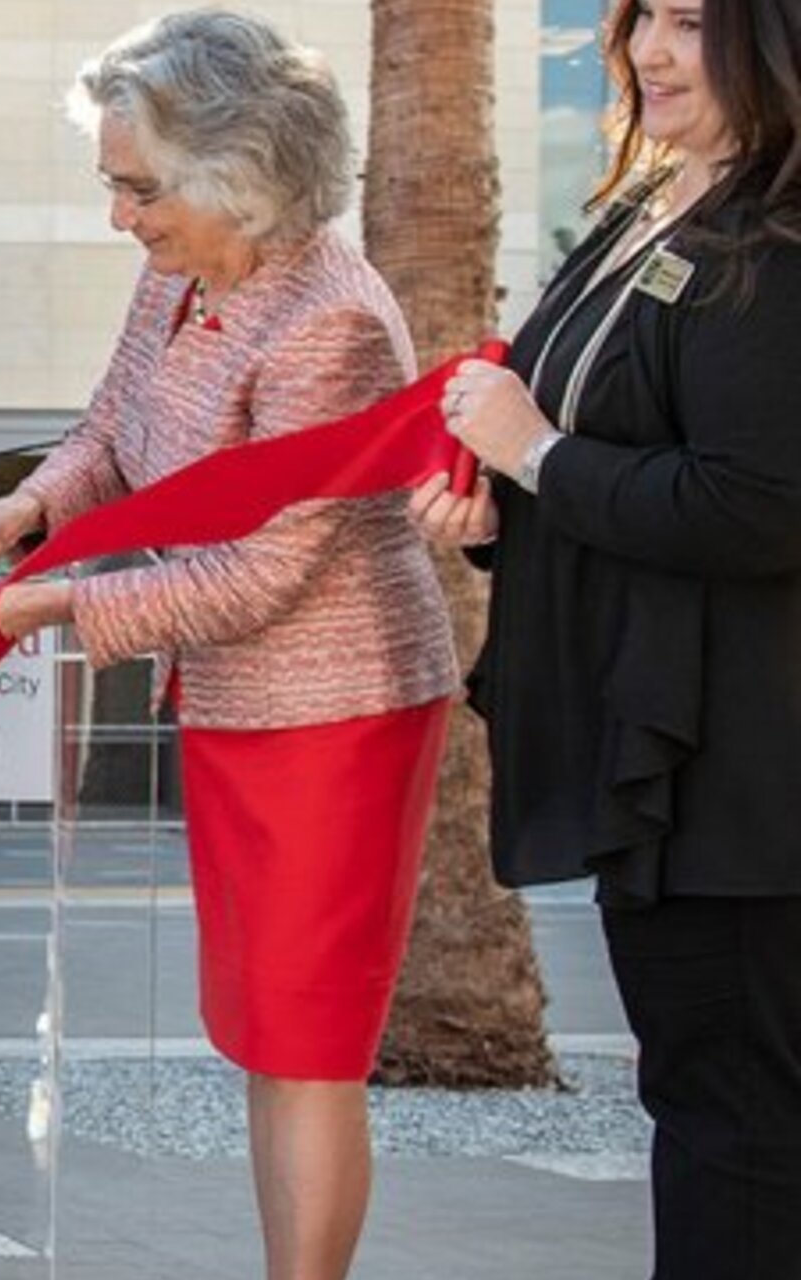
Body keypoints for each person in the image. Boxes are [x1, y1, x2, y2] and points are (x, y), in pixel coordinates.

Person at [0, 14, 457, 1280]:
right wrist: (31, 506)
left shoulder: (331, 326)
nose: (122, 216)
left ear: (245, 174)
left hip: (337, 712)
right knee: (263, 1031)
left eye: (140, 188)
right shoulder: (185, 267)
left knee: (309, 1040)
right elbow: (112, 424)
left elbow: (262, 575)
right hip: (238, 703)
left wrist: (46, 607)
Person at [410, 1, 801, 1274]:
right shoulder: (659, 203)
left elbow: (755, 504)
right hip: (662, 755)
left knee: (737, 1128)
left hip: (743, 780)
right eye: (642, 17)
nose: (648, 51)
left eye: (694, 23)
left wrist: (536, 452)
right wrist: (497, 501)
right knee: (707, 1107)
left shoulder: (775, 234)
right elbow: (590, 448)